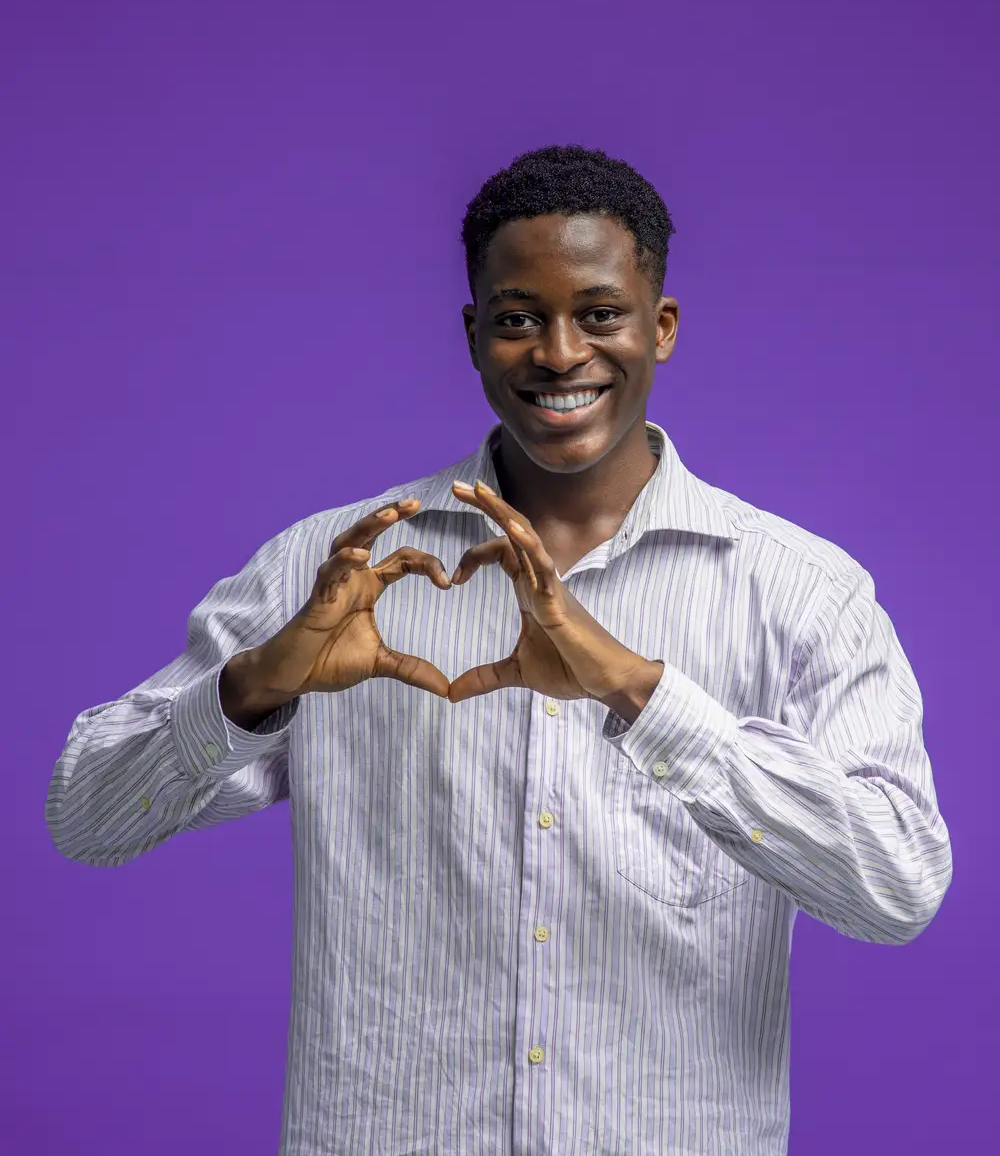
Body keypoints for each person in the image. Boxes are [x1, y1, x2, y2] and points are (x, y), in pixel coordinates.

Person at [46, 145, 952, 1156]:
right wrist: (260, 683)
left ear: (660, 328)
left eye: (600, 313)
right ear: (474, 337)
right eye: (519, 318)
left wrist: (636, 691)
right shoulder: (334, 570)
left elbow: (897, 886)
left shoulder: (798, 592)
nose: (560, 353)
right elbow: (85, 814)